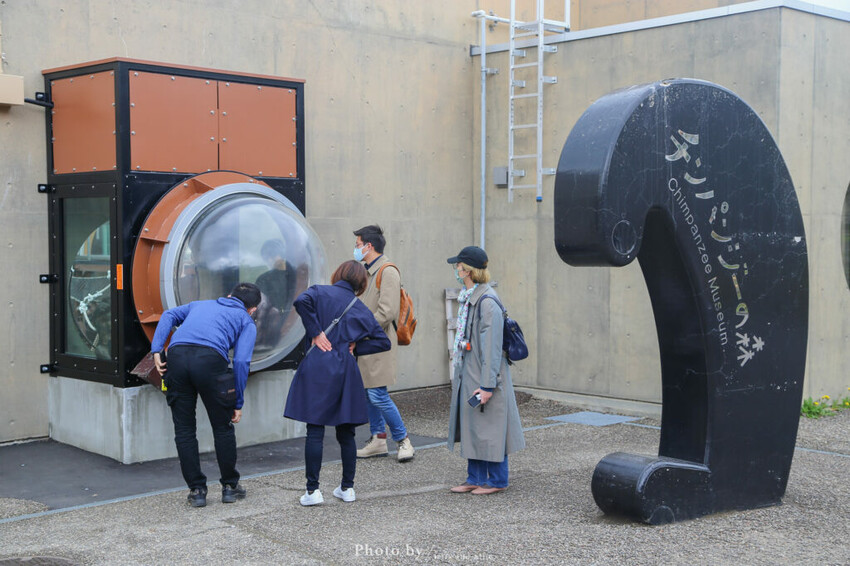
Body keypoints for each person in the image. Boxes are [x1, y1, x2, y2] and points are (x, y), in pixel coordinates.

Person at [284, 260, 391, 506]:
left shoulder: (320, 292)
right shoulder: (361, 309)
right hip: (346, 368)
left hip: (319, 364)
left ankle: (312, 492)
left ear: (338, 273)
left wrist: (316, 332)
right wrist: (357, 345)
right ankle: (347, 488)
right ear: (362, 283)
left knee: (315, 429)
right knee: (346, 432)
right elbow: (383, 342)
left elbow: (301, 301)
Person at [151, 282, 261, 508]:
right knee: (222, 427)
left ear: (228, 295)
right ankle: (230, 487)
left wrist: (157, 349)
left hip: (177, 358)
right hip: (211, 362)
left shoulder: (199, 305)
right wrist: (237, 402)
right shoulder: (245, 321)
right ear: (253, 309)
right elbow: (241, 362)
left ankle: (197, 491)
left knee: (183, 429)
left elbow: (169, 314)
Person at [445, 246, 526, 495]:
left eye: (458, 266)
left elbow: (491, 348)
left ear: (467, 270)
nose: (456, 270)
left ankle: (498, 480)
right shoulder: (473, 297)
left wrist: (488, 384)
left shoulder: (486, 301)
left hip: (483, 375)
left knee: (492, 427)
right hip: (471, 373)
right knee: (474, 427)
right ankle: (475, 477)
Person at [352, 225, 415, 462]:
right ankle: (378, 439)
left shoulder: (387, 271)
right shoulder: (368, 271)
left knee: (377, 394)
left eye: (358, 245)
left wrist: (357, 331)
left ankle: (403, 440)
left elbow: (386, 313)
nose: (356, 249)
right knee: (370, 393)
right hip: (366, 342)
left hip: (377, 342)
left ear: (369, 246)